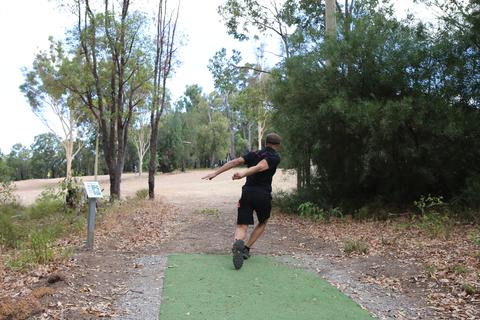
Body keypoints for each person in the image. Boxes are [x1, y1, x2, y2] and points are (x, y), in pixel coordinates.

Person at [202, 133, 281, 270]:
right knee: (263, 222)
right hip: (263, 195)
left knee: (242, 225)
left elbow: (235, 162)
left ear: (265, 142)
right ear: (277, 145)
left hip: (247, 193)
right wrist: (243, 174)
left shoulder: (254, 154)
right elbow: (260, 167)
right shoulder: (274, 157)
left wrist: (215, 173)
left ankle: (238, 242)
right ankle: (246, 248)